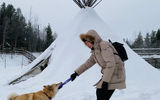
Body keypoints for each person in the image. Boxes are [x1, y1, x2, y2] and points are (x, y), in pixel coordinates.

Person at [70, 30, 126, 100]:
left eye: (88, 42)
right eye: (86, 43)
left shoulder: (103, 45)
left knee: (101, 93)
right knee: (100, 93)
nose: (87, 45)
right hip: (110, 73)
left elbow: (111, 64)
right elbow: (87, 64)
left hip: (116, 73)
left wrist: (105, 81)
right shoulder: (95, 51)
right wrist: (76, 73)